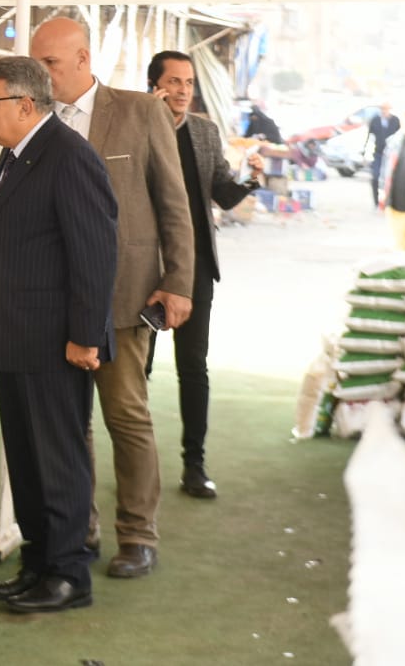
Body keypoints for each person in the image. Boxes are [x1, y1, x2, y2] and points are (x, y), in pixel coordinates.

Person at [0, 56, 117, 613]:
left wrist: (85, 337)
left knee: (57, 461)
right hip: (14, 337)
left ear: (25, 104)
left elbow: (95, 255)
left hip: (53, 342)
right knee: (26, 462)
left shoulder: (69, 156)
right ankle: (38, 565)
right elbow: (3, 231)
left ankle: (68, 575)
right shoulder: (14, 154)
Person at [29, 16, 194, 579]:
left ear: (83, 58)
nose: (41, 73)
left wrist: (178, 282)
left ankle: (138, 535)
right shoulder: (35, 118)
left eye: (50, 63)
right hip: (53, 298)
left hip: (123, 297)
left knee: (126, 416)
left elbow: (174, 203)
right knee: (70, 423)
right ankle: (80, 529)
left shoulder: (141, 111)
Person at [147, 51, 264, 499]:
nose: (182, 90)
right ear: (155, 85)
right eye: (174, 81)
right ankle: (138, 466)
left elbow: (222, 194)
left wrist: (251, 179)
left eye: (189, 82)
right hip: (144, 266)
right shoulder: (138, 123)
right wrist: (155, 119)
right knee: (137, 369)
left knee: (193, 367)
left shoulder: (204, 131)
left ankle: (194, 465)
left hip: (194, 266)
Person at [379, 119, 405, 250]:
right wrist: (382, 192)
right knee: (400, 248)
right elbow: (385, 170)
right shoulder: (394, 142)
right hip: (396, 205)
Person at [366, 103, 400, 207]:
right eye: (382, 109)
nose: (384, 111)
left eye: (386, 109)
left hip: (391, 155)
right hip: (378, 153)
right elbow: (370, 137)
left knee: (390, 179)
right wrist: (367, 152)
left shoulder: (395, 121)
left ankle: (389, 201)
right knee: (375, 177)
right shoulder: (375, 120)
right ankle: (376, 202)